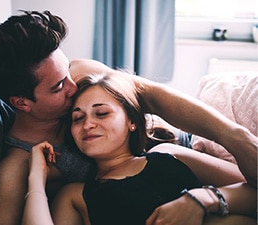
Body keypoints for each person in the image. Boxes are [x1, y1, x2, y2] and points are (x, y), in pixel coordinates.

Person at [0, 10, 257, 225]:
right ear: (21, 103)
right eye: (58, 86)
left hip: (186, 148)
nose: (73, 86)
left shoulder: (78, 73)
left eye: (67, 73)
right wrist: (35, 180)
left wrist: (235, 137)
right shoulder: (19, 164)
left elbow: (151, 95)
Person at [22, 72, 256, 225]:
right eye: (77, 118)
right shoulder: (75, 196)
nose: (88, 124)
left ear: (131, 122)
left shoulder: (168, 155)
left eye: (101, 113)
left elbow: (254, 190)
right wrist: (36, 178)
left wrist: (200, 199)